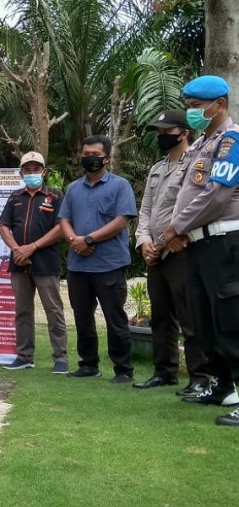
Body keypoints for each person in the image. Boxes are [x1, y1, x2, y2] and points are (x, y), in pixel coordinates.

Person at [163, 75, 239, 426]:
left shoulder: (230, 142)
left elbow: (217, 195)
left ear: (219, 105)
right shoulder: (201, 145)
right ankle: (223, 386)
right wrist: (179, 233)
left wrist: (177, 228)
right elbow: (186, 193)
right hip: (198, 244)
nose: (191, 113)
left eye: (196, 108)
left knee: (230, 321)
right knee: (205, 321)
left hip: (224, 242)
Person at [133, 110, 209, 395]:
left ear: (184, 132)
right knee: (161, 316)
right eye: (159, 132)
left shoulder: (195, 165)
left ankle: (200, 377)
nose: (162, 136)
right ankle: (164, 371)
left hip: (182, 249)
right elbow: (146, 210)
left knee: (190, 317)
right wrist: (144, 242)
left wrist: (168, 239)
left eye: (167, 132)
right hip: (156, 253)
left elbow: (193, 207)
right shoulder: (157, 168)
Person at [58, 135, 137, 383]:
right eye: (86, 153)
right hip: (78, 265)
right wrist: (75, 242)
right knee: (82, 316)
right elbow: (64, 220)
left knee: (115, 318)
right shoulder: (73, 188)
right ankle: (88, 364)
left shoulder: (120, 185)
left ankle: (123, 369)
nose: (89, 158)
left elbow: (121, 220)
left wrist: (89, 240)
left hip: (109, 264)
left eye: (95, 154)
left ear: (107, 158)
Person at [0, 151, 68, 373]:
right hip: (19, 263)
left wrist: (33, 247)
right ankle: (24, 356)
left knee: (54, 310)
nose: (31, 173)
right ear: (21, 173)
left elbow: (61, 228)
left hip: (46, 263)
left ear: (44, 171)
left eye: (35, 169)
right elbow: (3, 226)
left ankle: (60, 359)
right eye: (27, 170)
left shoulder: (55, 196)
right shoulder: (14, 197)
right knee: (22, 311)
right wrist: (18, 249)